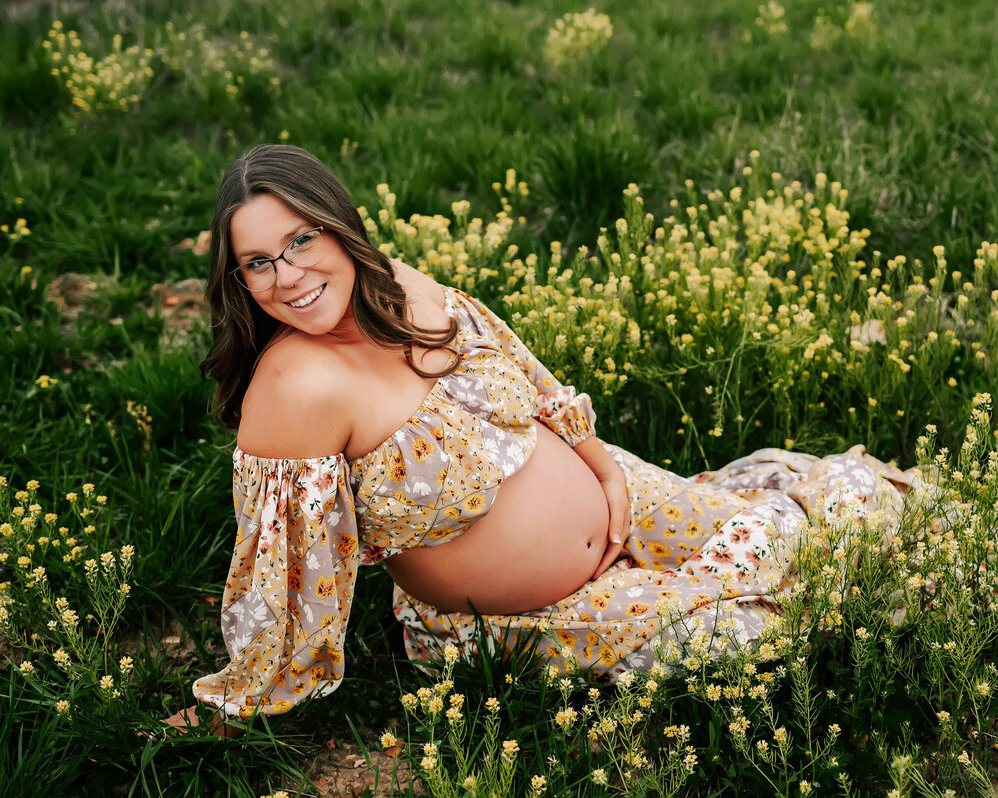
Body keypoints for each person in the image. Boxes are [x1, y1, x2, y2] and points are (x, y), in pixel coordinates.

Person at [162, 144, 918, 733]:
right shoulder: (297, 387)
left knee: (828, 530)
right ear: (240, 283)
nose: (287, 275)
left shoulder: (396, 282)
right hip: (520, 618)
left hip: (618, 496)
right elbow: (287, 569)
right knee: (741, 637)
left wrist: (601, 467)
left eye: (300, 241)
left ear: (340, 226)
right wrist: (249, 694)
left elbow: (522, 373)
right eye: (258, 263)